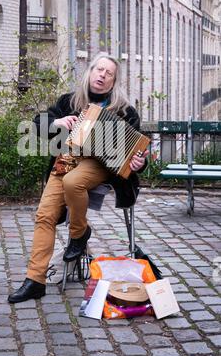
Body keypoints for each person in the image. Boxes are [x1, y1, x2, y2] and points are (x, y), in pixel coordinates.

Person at [8, 53, 148, 303]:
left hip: (99, 165)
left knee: (73, 181)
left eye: (109, 73)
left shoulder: (124, 111)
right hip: (66, 160)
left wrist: (139, 162)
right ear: (90, 71)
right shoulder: (69, 101)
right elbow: (39, 124)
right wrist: (57, 122)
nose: (102, 75)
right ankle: (35, 280)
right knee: (44, 215)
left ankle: (78, 233)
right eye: (99, 70)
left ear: (114, 82)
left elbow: (136, 153)